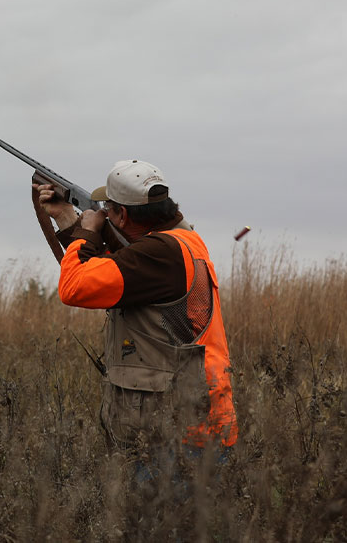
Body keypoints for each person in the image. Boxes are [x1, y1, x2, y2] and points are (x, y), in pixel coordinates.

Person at [34, 160, 237, 464]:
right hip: (196, 420)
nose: (103, 214)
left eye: (108, 209)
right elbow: (111, 275)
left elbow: (74, 287)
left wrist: (88, 230)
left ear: (122, 215)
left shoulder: (159, 253)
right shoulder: (183, 242)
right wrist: (66, 217)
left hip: (178, 436)